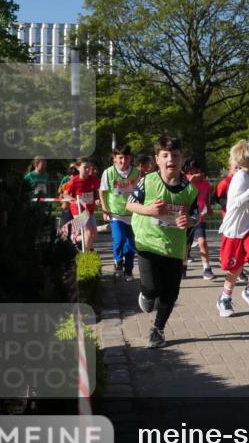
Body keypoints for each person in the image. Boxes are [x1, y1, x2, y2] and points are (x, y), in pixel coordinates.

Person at [127, 134, 200, 349]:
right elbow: (130, 205)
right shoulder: (147, 181)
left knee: (171, 292)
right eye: (165, 155)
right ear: (157, 159)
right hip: (147, 243)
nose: (170, 159)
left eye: (175, 155)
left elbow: (196, 215)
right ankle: (147, 294)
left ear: (181, 159)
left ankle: (157, 329)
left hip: (174, 248)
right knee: (151, 288)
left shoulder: (189, 189)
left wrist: (189, 221)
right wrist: (148, 210)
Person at [216, 140, 249, 316]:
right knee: (235, 269)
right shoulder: (239, 178)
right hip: (234, 230)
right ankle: (224, 298)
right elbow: (236, 203)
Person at [99, 144, 139, 281]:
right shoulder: (108, 172)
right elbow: (102, 192)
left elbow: (140, 191)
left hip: (132, 213)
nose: (123, 161)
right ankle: (117, 263)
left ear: (130, 158)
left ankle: (128, 270)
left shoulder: (136, 173)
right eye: (120, 158)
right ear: (114, 159)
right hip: (115, 213)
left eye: (126, 158)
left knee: (130, 244)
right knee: (119, 239)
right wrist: (104, 209)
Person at [182, 158, 215, 281]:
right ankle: (183, 268)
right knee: (186, 245)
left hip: (199, 217)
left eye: (194, 171)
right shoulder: (183, 181)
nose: (193, 174)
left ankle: (207, 269)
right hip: (186, 217)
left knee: (202, 242)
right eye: (189, 172)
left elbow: (205, 197)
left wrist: (209, 208)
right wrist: (189, 180)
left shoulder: (205, 183)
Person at [64, 158, 101, 252]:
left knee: (94, 234)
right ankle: (86, 255)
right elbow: (65, 194)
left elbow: (100, 189)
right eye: (85, 167)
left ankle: (75, 239)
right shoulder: (74, 181)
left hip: (89, 210)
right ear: (78, 168)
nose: (88, 170)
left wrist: (97, 199)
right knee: (88, 232)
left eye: (89, 167)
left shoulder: (93, 179)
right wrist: (74, 200)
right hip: (78, 210)